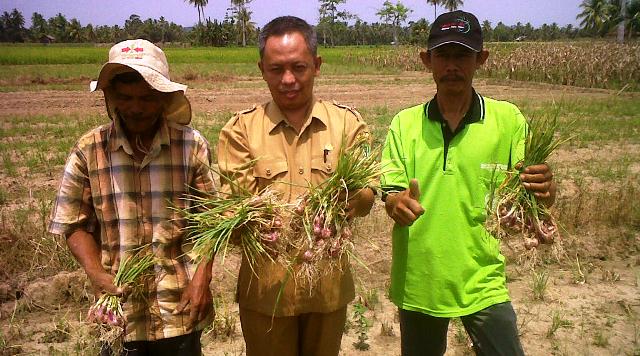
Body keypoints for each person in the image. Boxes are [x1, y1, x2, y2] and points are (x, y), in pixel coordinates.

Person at [380, 10, 556, 356]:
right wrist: (395, 203)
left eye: (462, 55)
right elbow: (390, 194)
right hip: (420, 280)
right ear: (426, 60)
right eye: (442, 56)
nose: (451, 66)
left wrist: (546, 190)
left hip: (483, 279)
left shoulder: (508, 120)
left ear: (482, 60)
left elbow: (535, 194)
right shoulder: (404, 124)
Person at [216, 16, 375, 356]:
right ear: (262, 69)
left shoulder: (347, 123)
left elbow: (367, 194)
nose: (288, 80)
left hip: (328, 290)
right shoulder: (240, 130)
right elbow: (233, 210)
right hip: (267, 294)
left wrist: (353, 198)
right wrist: (248, 217)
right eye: (276, 70)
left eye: (299, 67)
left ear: (317, 66)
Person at [48, 39, 216, 355]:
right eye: (125, 97)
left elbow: (213, 222)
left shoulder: (191, 146)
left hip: (178, 307)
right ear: (110, 96)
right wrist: (95, 272)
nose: (136, 107)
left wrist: (202, 278)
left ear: (164, 97)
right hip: (118, 312)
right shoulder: (89, 150)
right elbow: (72, 222)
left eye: (147, 98)